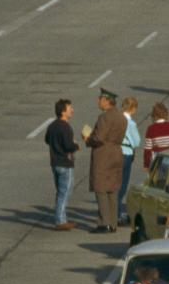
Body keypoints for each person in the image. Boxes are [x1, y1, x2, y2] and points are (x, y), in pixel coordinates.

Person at [85, 88, 127, 233]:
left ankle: (104, 223)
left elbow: (99, 138)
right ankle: (113, 223)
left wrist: (88, 139)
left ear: (106, 101)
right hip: (116, 152)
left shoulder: (104, 117)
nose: (98, 101)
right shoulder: (121, 116)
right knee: (113, 189)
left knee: (101, 188)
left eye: (100, 99)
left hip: (103, 154)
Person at [44, 99, 79, 231]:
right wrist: (76, 145)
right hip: (65, 163)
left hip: (55, 162)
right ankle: (60, 220)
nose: (72, 110)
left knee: (60, 191)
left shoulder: (52, 126)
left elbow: (47, 140)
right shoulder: (65, 127)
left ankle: (62, 217)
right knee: (65, 192)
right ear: (63, 111)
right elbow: (68, 146)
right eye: (70, 108)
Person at [116, 97, 141, 226]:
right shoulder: (130, 123)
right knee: (122, 186)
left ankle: (114, 212)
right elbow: (136, 142)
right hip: (126, 154)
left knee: (114, 184)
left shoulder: (116, 119)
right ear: (133, 108)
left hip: (115, 153)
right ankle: (118, 213)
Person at [142, 102, 169, 170]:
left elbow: (148, 149)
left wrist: (146, 164)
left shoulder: (151, 128)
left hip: (158, 158)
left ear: (153, 115)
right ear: (166, 113)